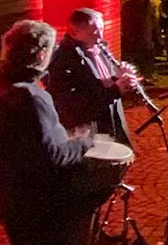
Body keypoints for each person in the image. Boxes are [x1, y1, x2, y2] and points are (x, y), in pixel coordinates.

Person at [0, 19, 94, 245]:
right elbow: (54, 157)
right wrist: (83, 142)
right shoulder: (30, 98)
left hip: (4, 197)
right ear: (41, 54)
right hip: (35, 205)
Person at [47, 8, 137, 148]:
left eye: (102, 29)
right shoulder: (63, 60)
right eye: (94, 32)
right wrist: (115, 89)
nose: (100, 36)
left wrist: (120, 80)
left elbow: (100, 84)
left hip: (110, 121)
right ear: (75, 33)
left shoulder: (98, 49)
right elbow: (73, 103)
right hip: (89, 130)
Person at [120, 0, 157, 78]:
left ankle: (147, 75)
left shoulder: (148, 5)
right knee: (137, 59)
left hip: (147, 36)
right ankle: (139, 77)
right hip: (135, 36)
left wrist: (155, 33)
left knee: (147, 58)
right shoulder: (129, 5)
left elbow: (152, 20)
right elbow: (126, 21)